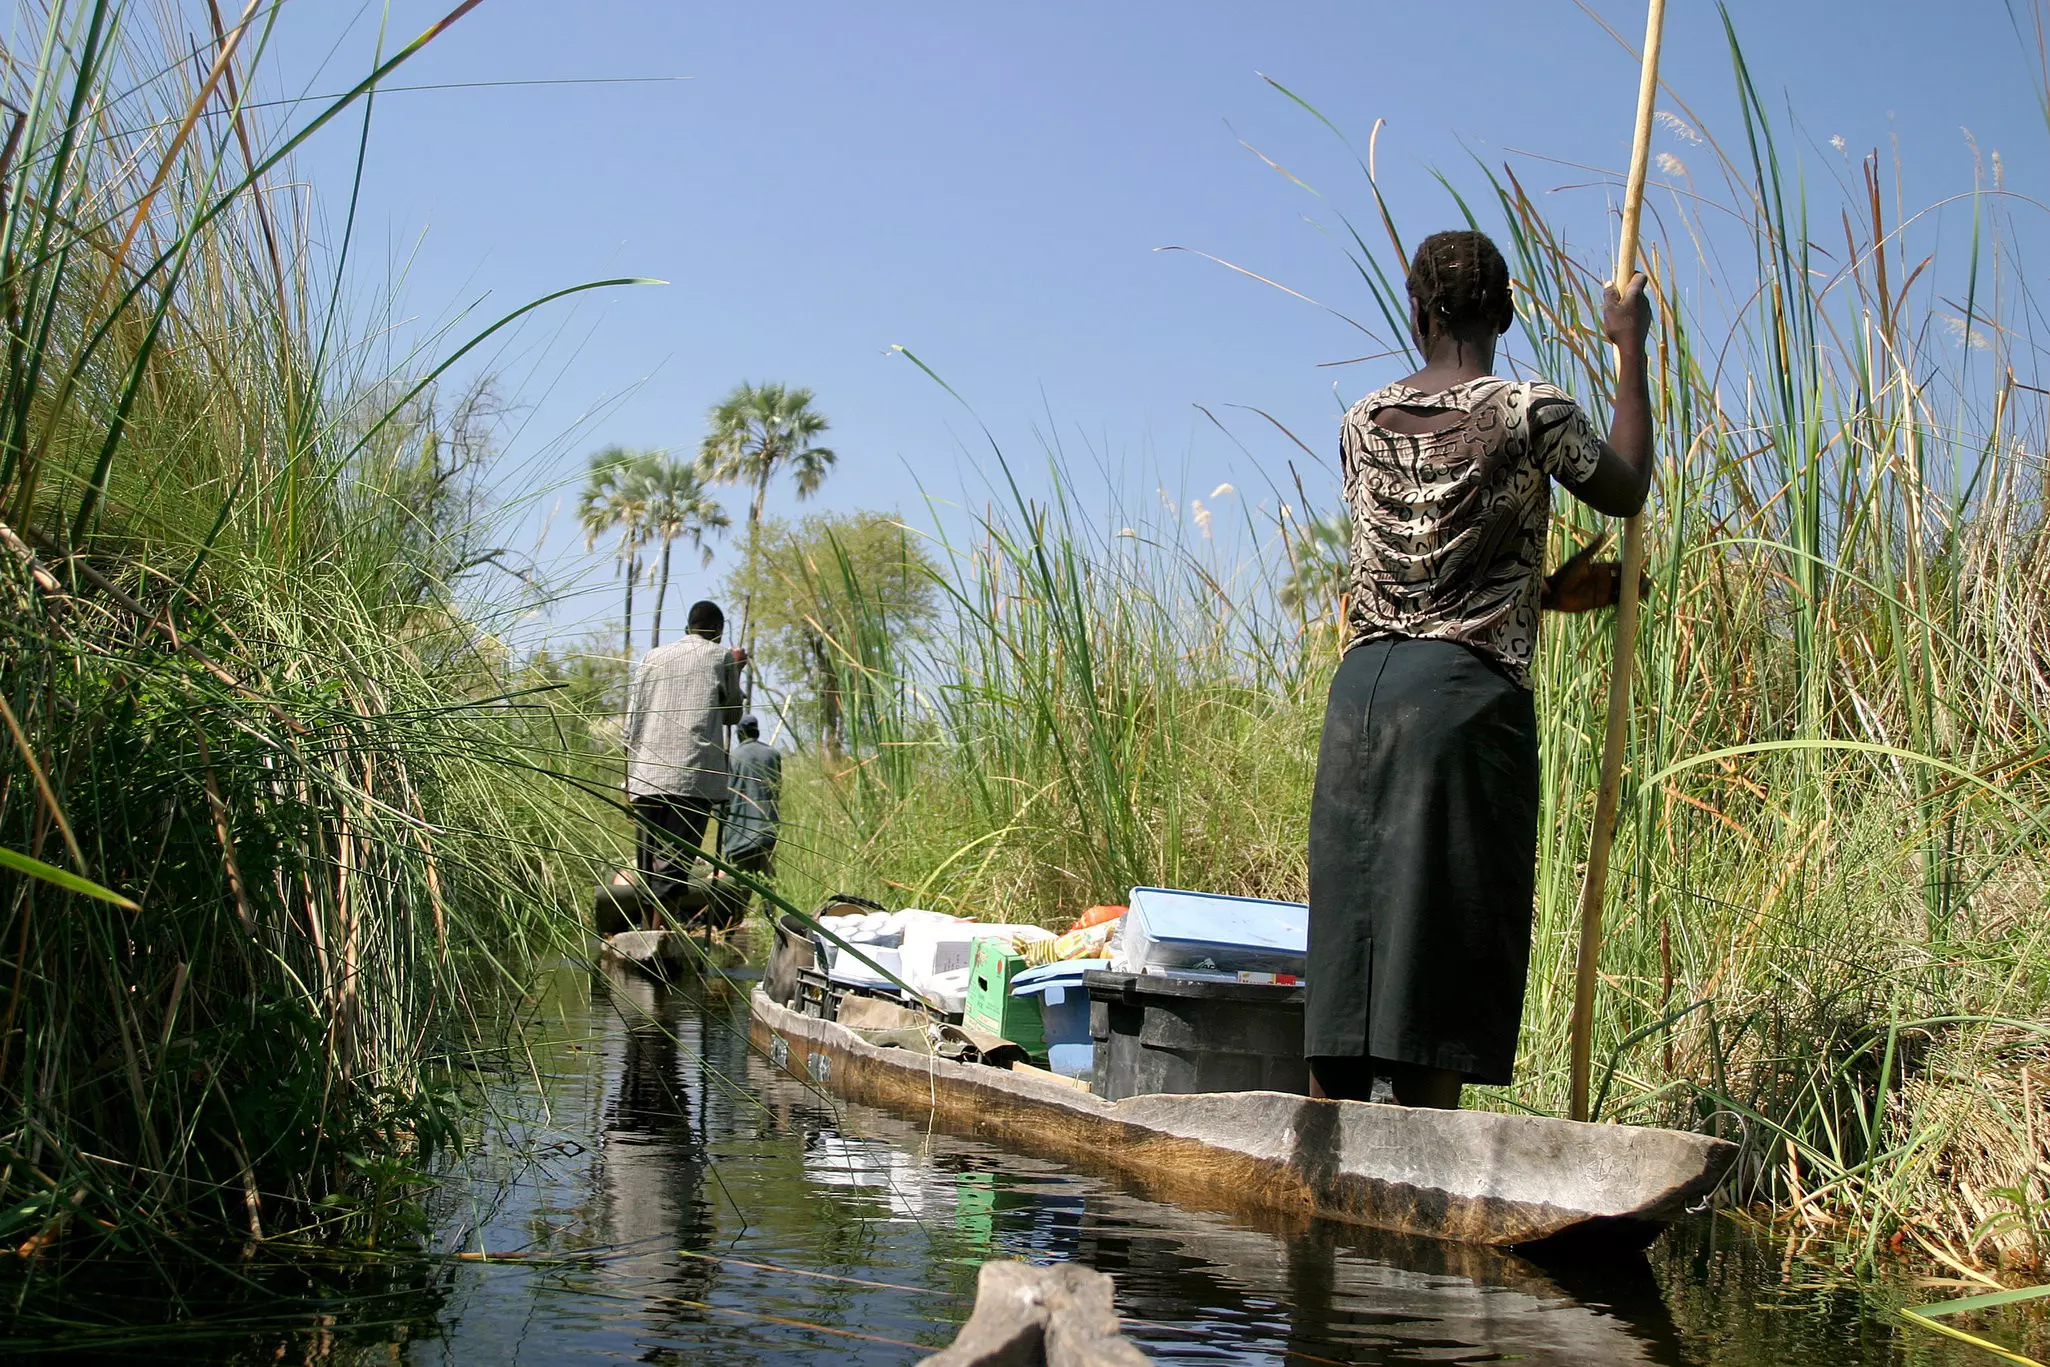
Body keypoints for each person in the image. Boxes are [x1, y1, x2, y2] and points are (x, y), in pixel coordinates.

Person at [1305, 229, 1653, 1109]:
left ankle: (1324, 1174)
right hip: (1460, 709)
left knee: (1352, 961)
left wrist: (1546, 595)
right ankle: (1419, 1182)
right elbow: (1625, 487)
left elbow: (1421, 568)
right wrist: (1630, 348)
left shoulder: (1362, 421)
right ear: (1503, 309)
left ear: (1417, 313)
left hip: (1361, 704)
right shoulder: (1527, 410)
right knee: (1440, 963)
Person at [623, 600, 745, 927]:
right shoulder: (721, 657)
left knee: (648, 859)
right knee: (675, 860)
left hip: (646, 774)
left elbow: (631, 723)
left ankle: (651, 929)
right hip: (691, 775)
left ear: (687, 629)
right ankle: (660, 931)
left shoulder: (652, 657)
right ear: (717, 633)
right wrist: (738, 669)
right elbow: (733, 716)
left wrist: (628, 778)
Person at [716, 714, 782, 928]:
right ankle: (773, 929)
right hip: (768, 830)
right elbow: (777, 788)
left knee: (737, 889)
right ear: (757, 732)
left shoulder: (732, 757)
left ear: (739, 734)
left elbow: (722, 797)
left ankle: (730, 930)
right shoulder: (773, 754)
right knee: (768, 886)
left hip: (740, 834)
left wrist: (720, 815)